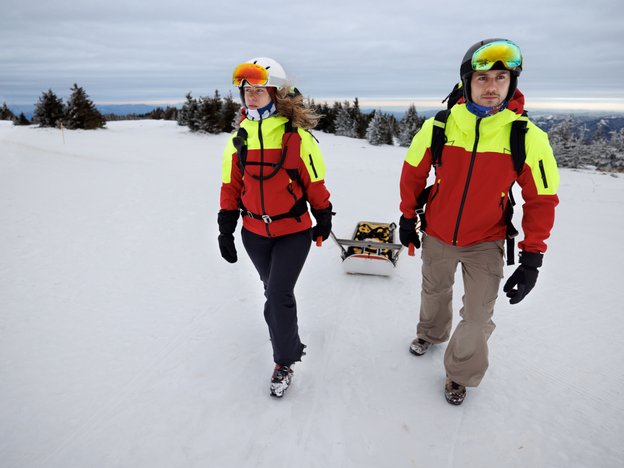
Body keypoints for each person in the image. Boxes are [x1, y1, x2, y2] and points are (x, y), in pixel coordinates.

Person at [398, 39, 559, 405]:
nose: (491, 86)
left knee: (478, 314)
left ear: (512, 81)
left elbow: (542, 199)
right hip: (438, 231)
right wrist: (408, 217)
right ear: (467, 81)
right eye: (482, 77)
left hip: (487, 240)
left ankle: (460, 373)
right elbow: (412, 173)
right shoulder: (439, 126)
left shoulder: (527, 137)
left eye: (500, 77)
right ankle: (430, 333)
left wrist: (533, 257)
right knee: (434, 291)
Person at [218, 57, 333, 398]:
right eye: (246, 92)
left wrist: (324, 216)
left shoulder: (297, 138)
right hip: (254, 234)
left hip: (293, 232)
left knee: (280, 292)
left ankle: (285, 359)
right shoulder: (239, 139)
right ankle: (284, 332)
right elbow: (231, 186)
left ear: (276, 94)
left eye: (258, 91)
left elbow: (315, 182)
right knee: (271, 291)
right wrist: (226, 227)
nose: (251, 97)